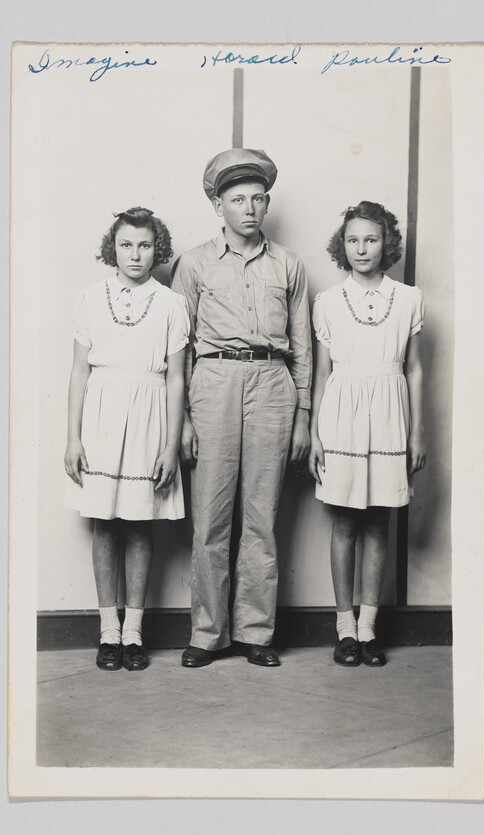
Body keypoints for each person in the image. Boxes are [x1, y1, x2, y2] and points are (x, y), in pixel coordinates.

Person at [172, 149, 312, 668]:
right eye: (237, 199)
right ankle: (207, 634)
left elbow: (302, 345)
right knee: (210, 517)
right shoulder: (194, 264)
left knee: (262, 515)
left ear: (267, 203)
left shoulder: (288, 264)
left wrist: (303, 416)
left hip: (273, 384)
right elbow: (179, 346)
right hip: (213, 383)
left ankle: (255, 632)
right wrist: (184, 418)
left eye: (257, 198)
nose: (249, 208)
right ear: (218, 206)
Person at [64, 207, 189, 671]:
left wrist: (170, 445)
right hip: (101, 416)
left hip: (149, 416)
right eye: (126, 245)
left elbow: (176, 378)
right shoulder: (90, 298)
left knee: (139, 524)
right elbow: (79, 371)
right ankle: (108, 631)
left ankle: (134, 631)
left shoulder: (172, 304)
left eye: (144, 245)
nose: (135, 255)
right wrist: (73, 438)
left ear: (158, 250)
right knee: (105, 523)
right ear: (112, 249)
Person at [308, 201, 426, 667]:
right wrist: (316, 434)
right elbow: (321, 374)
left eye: (371, 239)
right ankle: (345, 628)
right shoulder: (327, 302)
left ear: (386, 244)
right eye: (353, 240)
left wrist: (417, 433)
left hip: (390, 415)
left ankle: (369, 627)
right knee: (344, 523)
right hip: (342, 415)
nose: (361, 249)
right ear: (343, 245)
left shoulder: (410, 298)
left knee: (378, 523)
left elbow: (414, 369)